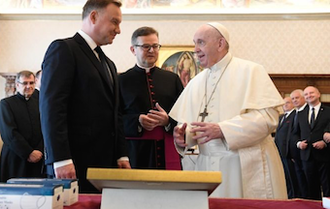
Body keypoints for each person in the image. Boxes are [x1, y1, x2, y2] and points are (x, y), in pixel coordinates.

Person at [169, 22, 287, 199]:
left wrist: (222, 129)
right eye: (195, 43)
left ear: (220, 43)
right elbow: (187, 126)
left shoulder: (251, 71)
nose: (195, 49)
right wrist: (183, 137)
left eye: (201, 42)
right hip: (205, 168)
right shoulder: (195, 82)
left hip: (242, 166)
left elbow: (267, 119)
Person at [40, 0, 130, 193]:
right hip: (72, 165)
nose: (118, 30)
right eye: (114, 22)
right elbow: (52, 108)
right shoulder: (64, 49)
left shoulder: (109, 64)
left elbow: (116, 114)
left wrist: (121, 155)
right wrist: (60, 158)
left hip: (105, 166)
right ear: (94, 16)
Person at [119, 26, 183, 170]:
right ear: (133, 49)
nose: (152, 50)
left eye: (155, 46)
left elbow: (185, 115)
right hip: (135, 152)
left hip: (167, 149)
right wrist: (137, 121)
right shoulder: (121, 80)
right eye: (146, 46)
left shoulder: (172, 79)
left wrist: (168, 121)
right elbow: (113, 118)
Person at [0, 70, 44, 182]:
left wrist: (39, 150)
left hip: (39, 157)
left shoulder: (42, 102)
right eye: (25, 83)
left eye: (31, 83)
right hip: (16, 157)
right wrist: (28, 152)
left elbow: (47, 128)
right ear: (17, 84)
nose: (28, 86)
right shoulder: (6, 104)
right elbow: (9, 133)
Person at [294, 86, 330, 200]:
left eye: (311, 93)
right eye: (306, 94)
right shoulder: (300, 114)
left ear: (319, 94)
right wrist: (299, 143)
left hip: (326, 156)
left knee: (328, 187)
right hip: (307, 156)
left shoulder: (328, 111)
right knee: (311, 189)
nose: (309, 95)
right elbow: (295, 134)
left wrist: (325, 142)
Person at [274, 97, 298, 198]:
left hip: (288, 153)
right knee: (284, 177)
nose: (285, 105)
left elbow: (292, 135)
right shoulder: (281, 117)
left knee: (292, 177)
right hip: (279, 152)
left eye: (288, 103)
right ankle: (287, 196)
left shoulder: (295, 115)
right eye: (283, 103)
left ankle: (294, 197)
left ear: (293, 104)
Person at [290, 89, 308, 198]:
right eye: (293, 99)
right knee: (300, 180)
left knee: (308, 181)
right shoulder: (295, 113)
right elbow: (293, 134)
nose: (295, 100)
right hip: (296, 153)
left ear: (303, 98)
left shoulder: (307, 111)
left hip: (307, 152)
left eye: (297, 98)